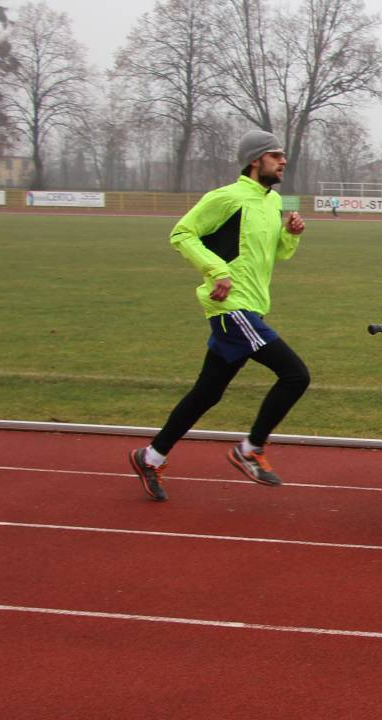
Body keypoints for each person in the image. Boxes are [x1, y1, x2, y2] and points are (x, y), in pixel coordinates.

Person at [129, 129, 310, 502]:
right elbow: (182, 234)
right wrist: (217, 271)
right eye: (275, 155)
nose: (283, 161)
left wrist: (290, 234)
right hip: (232, 309)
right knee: (295, 374)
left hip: (251, 307)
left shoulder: (270, 203)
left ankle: (150, 456)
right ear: (255, 160)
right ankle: (249, 450)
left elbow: (276, 256)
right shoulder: (226, 198)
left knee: (207, 393)